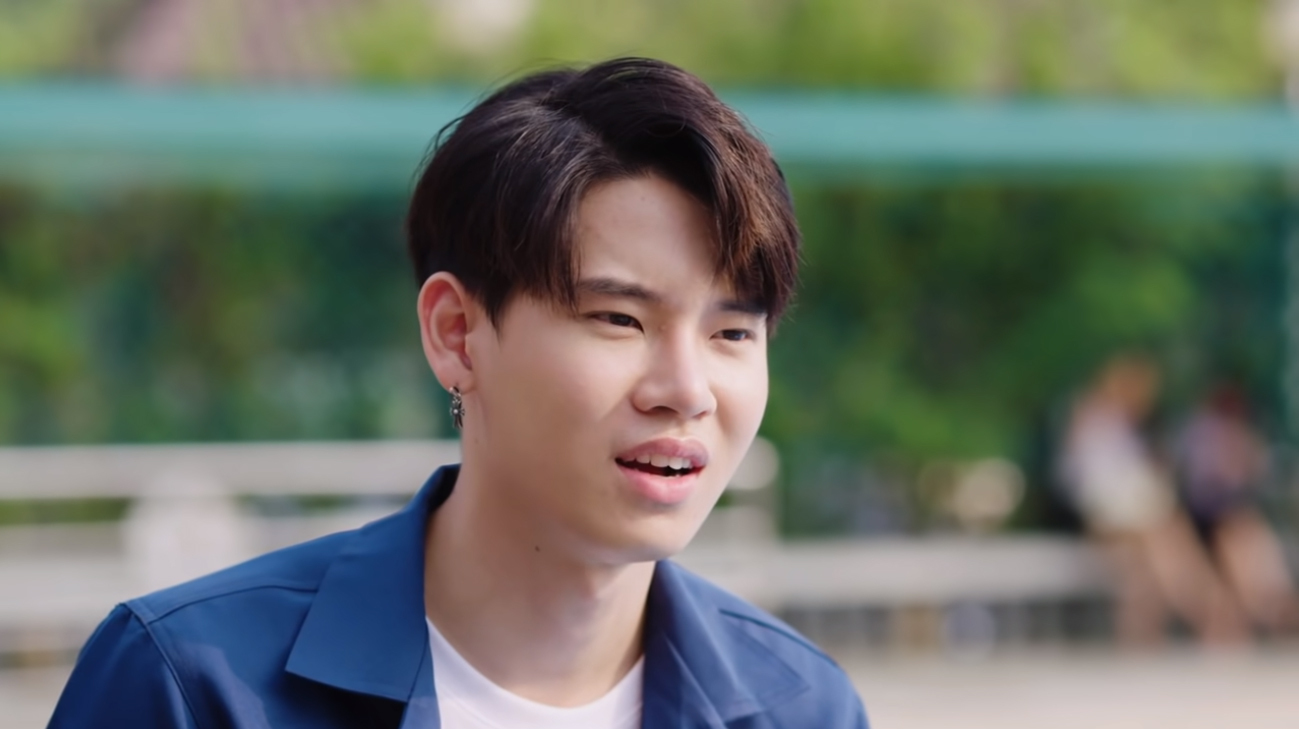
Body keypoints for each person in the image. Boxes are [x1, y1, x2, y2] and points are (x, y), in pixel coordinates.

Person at [48, 58, 869, 727]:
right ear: (455, 333)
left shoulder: (804, 707)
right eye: (619, 319)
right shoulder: (192, 687)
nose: (686, 390)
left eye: (732, 333)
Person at [1059, 353, 1245, 647]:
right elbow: (1089, 486)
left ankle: (1150, 635)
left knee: (1149, 567)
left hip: (1130, 519)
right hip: (1107, 518)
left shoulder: (1119, 426)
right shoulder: (1094, 421)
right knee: (1167, 545)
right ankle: (1213, 615)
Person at [1175, 384, 1299, 637]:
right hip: (1206, 518)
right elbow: (1205, 485)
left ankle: (1274, 604)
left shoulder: (1237, 434)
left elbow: (1251, 474)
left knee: (1249, 539)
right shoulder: (1203, 433)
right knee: (1241, 540)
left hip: (1229, 516)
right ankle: (1274, 608)